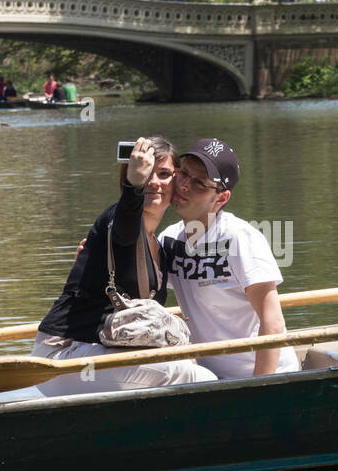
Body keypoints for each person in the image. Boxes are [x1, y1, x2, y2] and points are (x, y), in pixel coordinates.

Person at [31, 137, 216, 396]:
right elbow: (126, 226)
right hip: (62, 356)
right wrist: (133, 186)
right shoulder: (117, 219)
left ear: (177, 181)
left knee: (185, 363)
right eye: (146, 174)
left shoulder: (160, 248)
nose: (153, 182)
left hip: (103, 353)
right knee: (196, 376)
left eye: (164, 174)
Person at [160, 139, 298, 379]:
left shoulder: (239, 238)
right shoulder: (169, 239)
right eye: (183, 174)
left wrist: (259, 388)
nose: (183, 186)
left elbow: (272, 323)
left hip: (268, 376)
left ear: (221, 199)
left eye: (199, 183)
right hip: (211, 378)